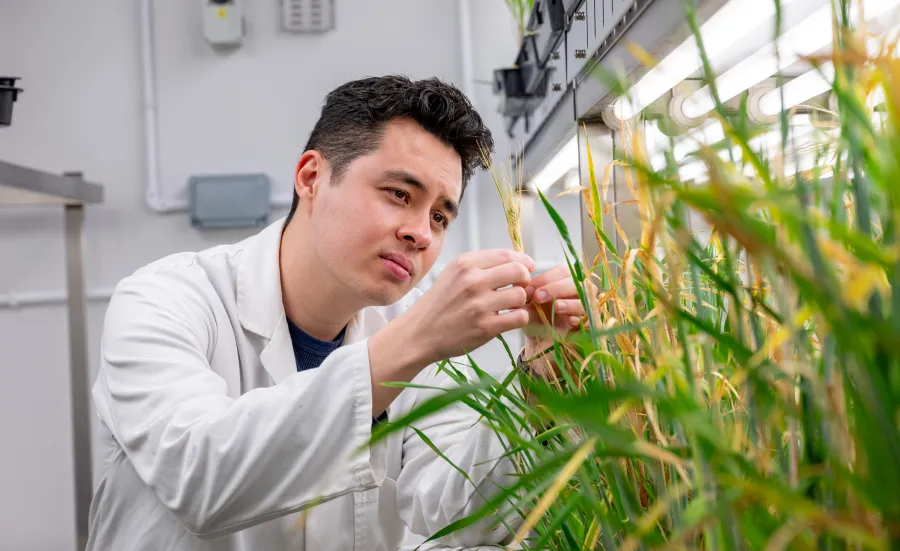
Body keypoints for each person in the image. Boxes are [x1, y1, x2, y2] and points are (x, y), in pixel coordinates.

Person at [86, 75, 586, 550]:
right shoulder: (165, 299)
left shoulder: (413, 326)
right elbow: (199, 482)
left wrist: (545, 380)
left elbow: (459, 510)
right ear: (311, 177)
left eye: (439, 216)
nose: (422, 233)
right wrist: (412, 343)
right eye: (399, 194)